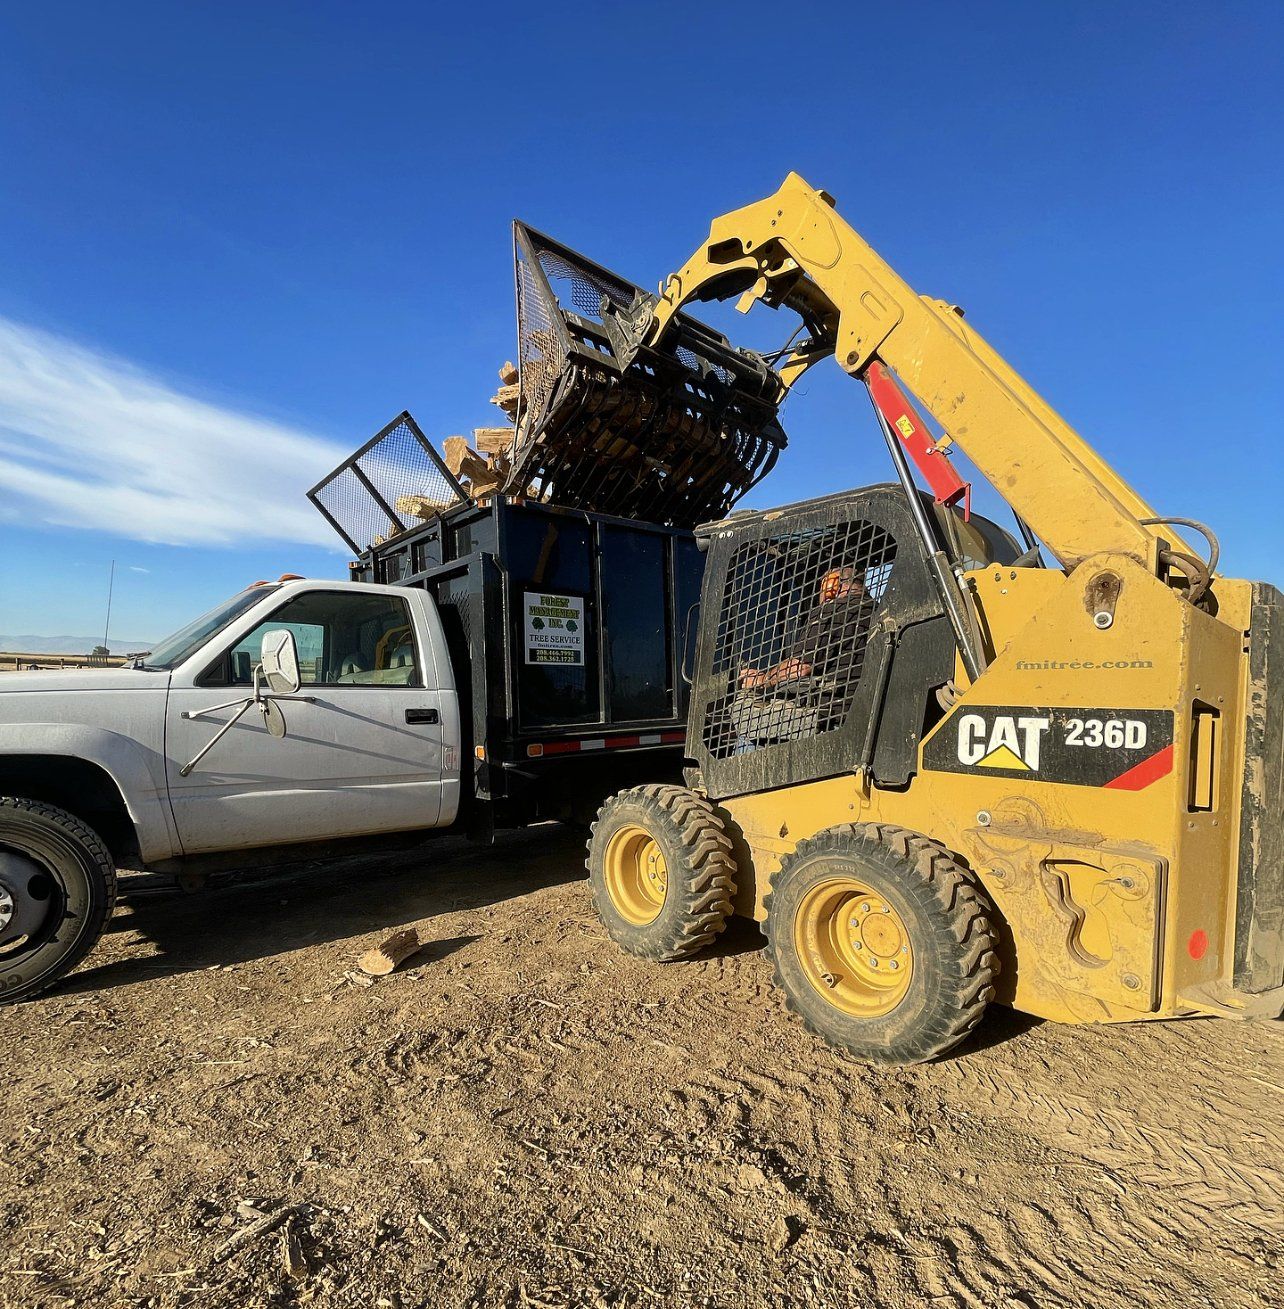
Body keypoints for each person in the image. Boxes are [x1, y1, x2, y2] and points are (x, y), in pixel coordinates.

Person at [732, 565, 876, 749]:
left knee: (749, 732)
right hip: (862, 715)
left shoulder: (833, 611)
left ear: (832, 584)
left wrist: (762, 679)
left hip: (831, 718)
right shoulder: (878, 611)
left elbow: (800, 668)